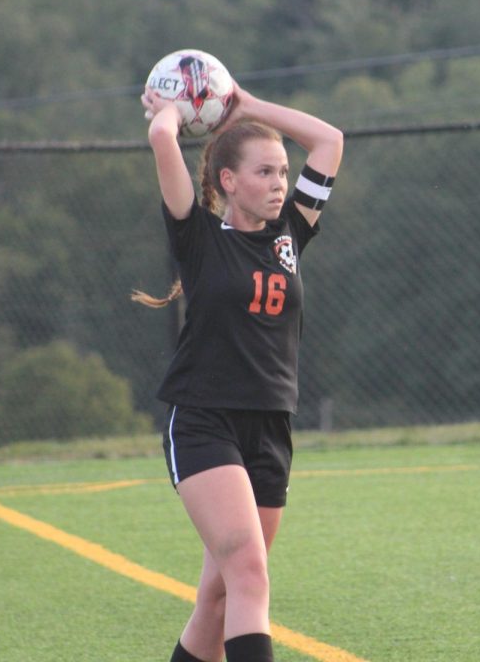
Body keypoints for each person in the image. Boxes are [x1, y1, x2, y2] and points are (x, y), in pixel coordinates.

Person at [135, 81, 344, 662]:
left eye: (283, 172)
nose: (280, 183)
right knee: (249, 573)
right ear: (228, 181)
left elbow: (328, 140)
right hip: (204, 421)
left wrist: (246, 106)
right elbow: (160, 136)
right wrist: (174, 108)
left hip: (270, 428)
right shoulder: (199, 236)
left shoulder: (290, 236)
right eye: (264, 173)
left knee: (221, 596)